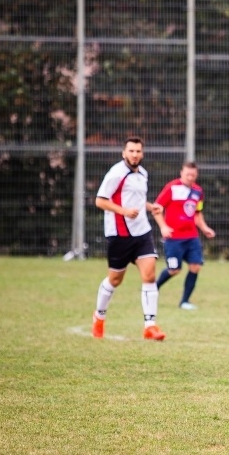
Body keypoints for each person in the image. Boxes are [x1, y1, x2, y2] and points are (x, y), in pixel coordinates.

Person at [91, 137, 166, 341]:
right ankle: (99, 316)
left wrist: (150, 207)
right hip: (120, 234)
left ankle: (150, 326)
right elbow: (100, 200)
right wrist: (123, 211)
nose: (135, 154)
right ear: (124, 153)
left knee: (149, 275)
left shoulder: (143, 173)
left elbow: (138, 200)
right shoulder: (116, 173)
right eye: (131, 151)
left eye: (138, 151)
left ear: (142, 153)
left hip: (142, 232)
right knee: (115, 279)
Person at [152, 162, 216, 310]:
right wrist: (163, 226)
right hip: (174, 238)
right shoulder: (172, 188)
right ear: (181, 173)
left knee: (195, 266)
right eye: (187, 174)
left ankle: (184, 301)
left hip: (192, 237)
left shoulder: (198, 191)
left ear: (196, 175)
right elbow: (156, 209)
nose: (190, 177)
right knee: (174, 269)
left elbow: (197, 213)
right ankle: (152, 289)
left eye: (193, 175)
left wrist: (205, 228)